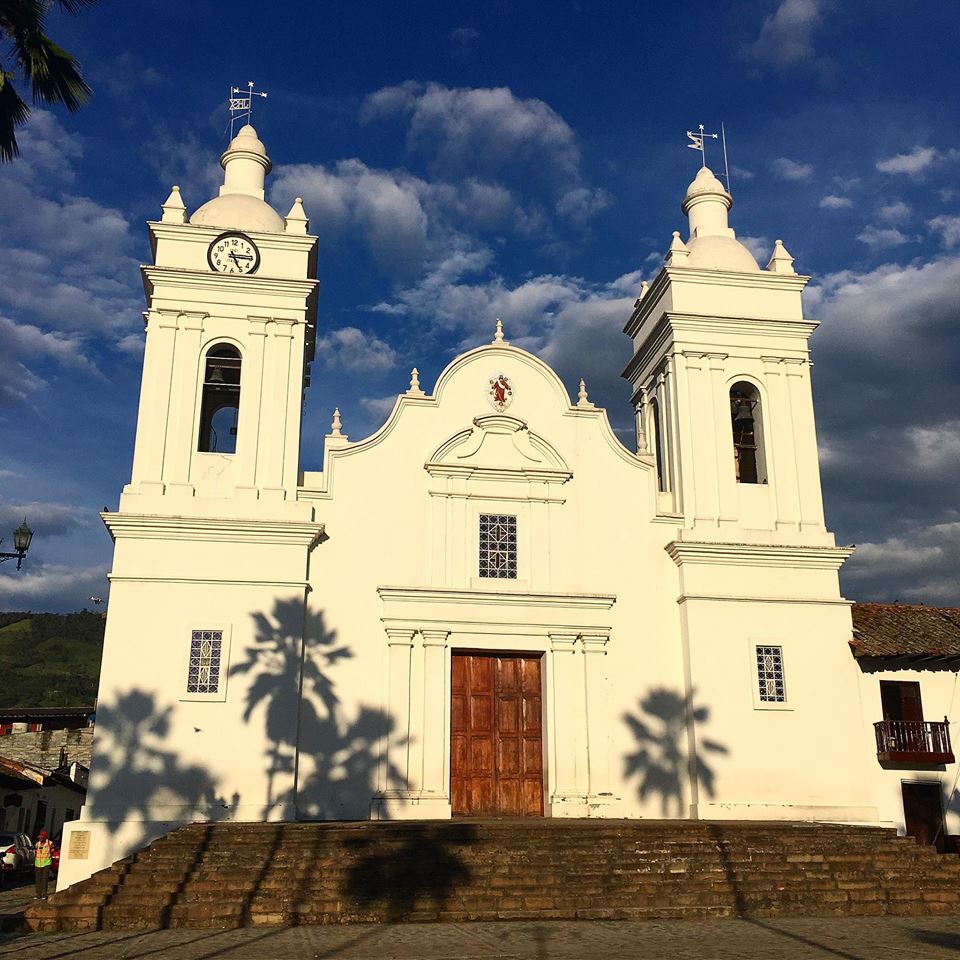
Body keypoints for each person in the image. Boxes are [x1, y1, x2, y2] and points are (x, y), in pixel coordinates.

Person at [33, 830, 54, 900]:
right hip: (38, 863)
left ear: (45, 837)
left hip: (46, 863)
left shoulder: (50, 843)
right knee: (38, 879)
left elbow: (52, 852)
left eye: (42, 837)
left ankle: (44, 894)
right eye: (39, 837)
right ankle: (38, 894)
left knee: (44, 879)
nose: (40, 838)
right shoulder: (37, 844)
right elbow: (36, 852)